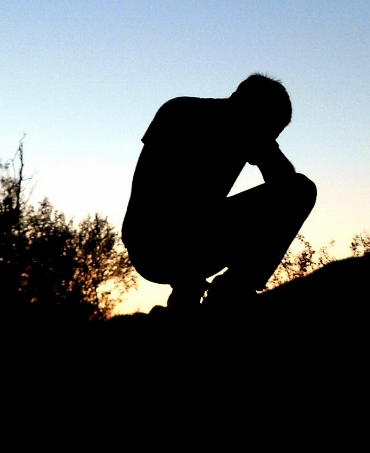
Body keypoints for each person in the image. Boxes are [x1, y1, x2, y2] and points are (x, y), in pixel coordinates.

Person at [122, 74, 317, 310]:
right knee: (302, 190)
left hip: (158, 247)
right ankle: (230, 289)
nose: (271, 139)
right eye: (271, 130)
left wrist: (262, 143)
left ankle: (188, 295)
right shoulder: (182, 113)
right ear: (252, 109)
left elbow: (281, 183)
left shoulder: (181, 110)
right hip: (156, 244)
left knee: (295, 190)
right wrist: (260, 141)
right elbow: (289, 190)